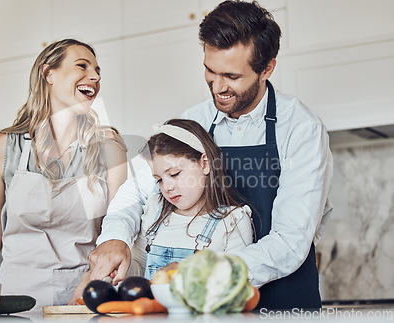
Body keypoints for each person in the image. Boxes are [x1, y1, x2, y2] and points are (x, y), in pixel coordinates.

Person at [89, 1, 333, 310]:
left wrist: (202, 273)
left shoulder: (301, 129)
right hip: (212, 309)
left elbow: (290, 241)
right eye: (209, 70)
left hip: (285, 304)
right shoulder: (195, 120)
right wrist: (115, 237)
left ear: (267, 68)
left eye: (231, 76)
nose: (217, 87)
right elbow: (137, 189)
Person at [0, 39, 127, 311]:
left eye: (97, 71)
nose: (94, 76)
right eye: (82, 66)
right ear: (49, 74)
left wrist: (91, 285)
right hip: (14, 298)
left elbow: (118, 226)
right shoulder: (3, 148)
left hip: (84, 295)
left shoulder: (108, 146)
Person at [133, 119, 253, 280]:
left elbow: (236, 286)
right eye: (159, 179)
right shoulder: (155, 208)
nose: (167, 187)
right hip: (148, 305)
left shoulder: (232, 221)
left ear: (205, 164)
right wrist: (116, 269)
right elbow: (140, 267)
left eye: (174, 174)